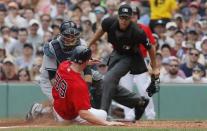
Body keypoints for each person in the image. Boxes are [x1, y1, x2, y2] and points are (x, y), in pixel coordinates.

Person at [89, 4, 159, 120]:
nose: (124, 20)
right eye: (122, 17)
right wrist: (89, 45)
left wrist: (155, 67)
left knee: (108, 79)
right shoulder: (109, 22)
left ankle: (103, 114)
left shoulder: (137, 31)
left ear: (131, 18)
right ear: (118, 17)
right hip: (116, 53)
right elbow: (101, 30)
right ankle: (138, 102)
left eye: (126, 18)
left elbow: (151, 48)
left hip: (131, 57)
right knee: (108, 84)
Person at [26, 20, 95, 120]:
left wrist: (86, 91)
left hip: (70, 75)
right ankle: (37, 110)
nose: (71, 39)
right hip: (51, 80)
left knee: (96, 78)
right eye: (68, 35)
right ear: (61, 35)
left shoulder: (82, 45)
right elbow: (52, 77)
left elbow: (87, 70)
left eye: (73, 35)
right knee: (60, 107)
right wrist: (67, 95)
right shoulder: (52, 48)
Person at [52, 45, 124, 126]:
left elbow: (75, 63)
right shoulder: (78, 84)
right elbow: (83, 113)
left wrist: (86, 62)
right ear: (85, 61)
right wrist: (106, 123)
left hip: (57, 108)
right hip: (68, 117)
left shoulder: (63, 65)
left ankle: (46, 111)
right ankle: (73, 123)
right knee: (103, 114)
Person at [119, 5, 156, 120]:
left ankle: (150, 116)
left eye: (134, 15)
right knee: (126, 90)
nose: (132, 17)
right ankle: (129, 116)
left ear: (138, 16)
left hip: (140, 61)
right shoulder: (120, 28)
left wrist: (152, 65)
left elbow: (152, 46)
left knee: (144, 89)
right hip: (125, 61)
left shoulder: (144, 28)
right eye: (131, 15)